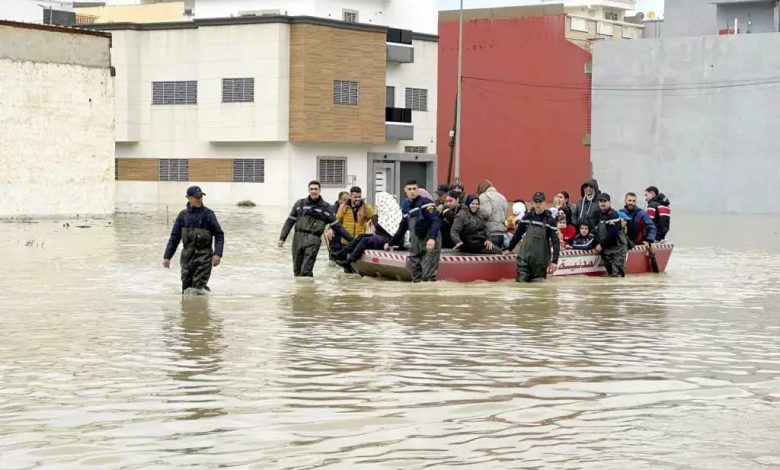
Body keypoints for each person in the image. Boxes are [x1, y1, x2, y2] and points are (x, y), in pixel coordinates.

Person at [279, 181, 352, 277]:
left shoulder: (326, 208)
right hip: (298, 238)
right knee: (296, 271)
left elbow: (338, 227)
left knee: (306, 270)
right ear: (308, 190)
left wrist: (352, 240)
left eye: (316, 189)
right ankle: (304, 290)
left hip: (313, 239)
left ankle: (306, 287)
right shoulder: (299, 204)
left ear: (320, 190)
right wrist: (282, 238)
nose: (313, 191)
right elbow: (289, 221)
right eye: (311, 189)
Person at [163, 186, 224, 294]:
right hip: (187, 260)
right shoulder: (183, 216)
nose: (199, 199)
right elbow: (174, 238)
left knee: (196, 290)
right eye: (196, 197)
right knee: (186, 291)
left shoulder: (208, 214)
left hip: (204, 259)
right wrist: (167, 256)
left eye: (201, 196)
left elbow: (219, 235)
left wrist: (217, 254)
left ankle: (202, 306)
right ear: (188, 198)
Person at [384, 180, 442, 282]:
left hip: (430, 241)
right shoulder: (405, 205)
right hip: (415, 242)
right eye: (409, 189)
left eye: (414, 189)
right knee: (416, 277)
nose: (412, 191)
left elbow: (436, 220)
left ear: (418, 190)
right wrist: (391, 243)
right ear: (405, 190)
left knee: (427, 276)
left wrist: (432, 238)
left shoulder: (426, 202)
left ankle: (430, 294)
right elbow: (403, 226)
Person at [505, 192, 560, 283]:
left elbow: (555, 242)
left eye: (540, 202)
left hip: (540, 262)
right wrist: (509, 248)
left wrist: (554, 261)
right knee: (520, 285)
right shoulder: (527, 217)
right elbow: (517, 235)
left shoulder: (550, 221)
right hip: (524, 258)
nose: (538, 205)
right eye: (536, 202)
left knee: (538, 289)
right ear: (532, 203)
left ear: (544, 203)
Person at [593, 193, 628, 277]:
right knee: (610, 275)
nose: (602, 203)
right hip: (605, 250)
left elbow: (613, 234)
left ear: (609, 202)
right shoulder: (597, 214)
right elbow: (594, 231)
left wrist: (601, 245)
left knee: (617, 276)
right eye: (600, 201)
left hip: (617, 249)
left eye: (605, 201)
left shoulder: (613, 214)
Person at [477, 179, 509, 249]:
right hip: (501, 233)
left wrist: (476, 212)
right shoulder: (502, 197)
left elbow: (486, 213)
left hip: (490, 233)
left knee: (488, 258)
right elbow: (505, 213)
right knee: (497, 257)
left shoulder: (484, 196)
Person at [328, 191, 350, 262]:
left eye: (347, 200)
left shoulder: (349, 208)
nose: (346, 202)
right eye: (344, 200)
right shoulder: (333, 209)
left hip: (344, 234)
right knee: (334, 251)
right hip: (335, 234)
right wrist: (330, 229)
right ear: (339, 200)